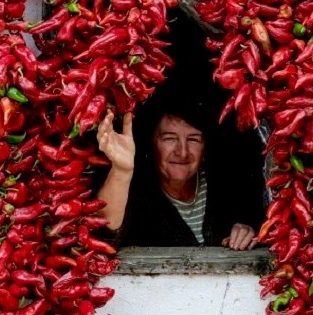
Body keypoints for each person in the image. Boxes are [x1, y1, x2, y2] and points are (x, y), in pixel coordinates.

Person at [95, 102, 261, 250]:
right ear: (152, 145)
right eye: (169, 138)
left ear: (205, 149)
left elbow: (260, 222)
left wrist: (249, 231)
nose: (182, 152)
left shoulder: (228, 185)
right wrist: (121, 170)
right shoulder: (137, 191)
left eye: (194, 140)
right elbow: (104, 233)